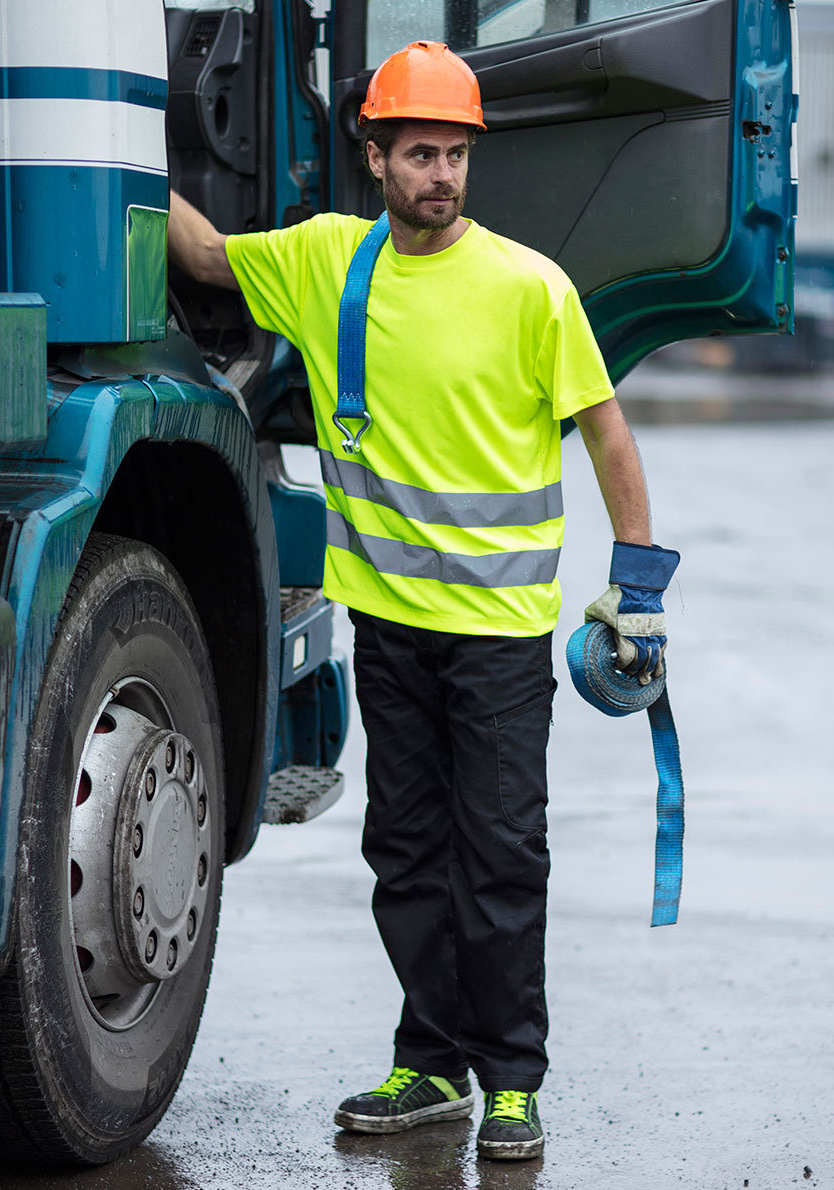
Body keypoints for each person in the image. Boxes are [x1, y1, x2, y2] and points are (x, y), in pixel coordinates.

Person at [168, 39, 678, 1162]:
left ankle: (511, 1080)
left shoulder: (529, 287)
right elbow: (203, 256)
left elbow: (607, 432)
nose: (440, 174)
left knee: (499, 855)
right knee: (403, 850)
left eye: (453, 154)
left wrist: (636, 589)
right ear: (377, 156)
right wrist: (108, 149)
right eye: (418, 154)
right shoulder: (324, 266)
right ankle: (430, 1062)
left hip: (497, 641)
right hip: (390, 629)